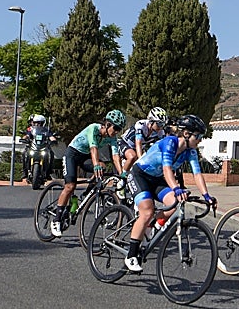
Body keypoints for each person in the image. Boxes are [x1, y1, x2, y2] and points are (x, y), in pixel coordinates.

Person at [123, 114, 217, 273]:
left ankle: (152, 226)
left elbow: (197, 174)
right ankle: (131, 255)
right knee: (147, 211)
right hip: (140, 175)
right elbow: (167, 170)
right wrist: (176, 187)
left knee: (174, 205)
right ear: (186, 134)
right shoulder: (169, 143)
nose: (200, 140)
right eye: (198, 136)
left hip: (157, 179)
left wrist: (207, 196)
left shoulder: (190, 151)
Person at [50, 110, 126, 238]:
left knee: (102, 167)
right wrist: (95, 164)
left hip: (85, 156)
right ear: (107, 124)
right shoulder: (93, 128)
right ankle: (56, 220)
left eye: (119, 129)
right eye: (116, 128)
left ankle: (86, 195)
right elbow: (93, 148)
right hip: (72, 154)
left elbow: (115, 155)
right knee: (70, 186)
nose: (117, 131)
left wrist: (122, 173)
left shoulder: (112, 137)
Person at [118, 107, 169, 174]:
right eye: (159, 124)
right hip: (124, 143)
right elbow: (138, 143)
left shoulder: (160, 131)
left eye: (163, 124)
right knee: (132, 156)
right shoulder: (141, 124)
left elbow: (162, 146)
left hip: (137, 148)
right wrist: (141, 160)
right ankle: (123, 176)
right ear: (151, 121)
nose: (161, 127)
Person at [20, 114, 56, 182]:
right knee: (24, 153)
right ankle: (25, 171)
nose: (36, 124)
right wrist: (24, 139)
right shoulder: (31, 129)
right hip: (33, 147)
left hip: (43, 147)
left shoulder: (46, 130)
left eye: (39, 123)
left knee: (51, 154)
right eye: (35, 122)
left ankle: (49, 172)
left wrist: (53, 140)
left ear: (42, 123)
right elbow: (27, 135)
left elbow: (51, 136)